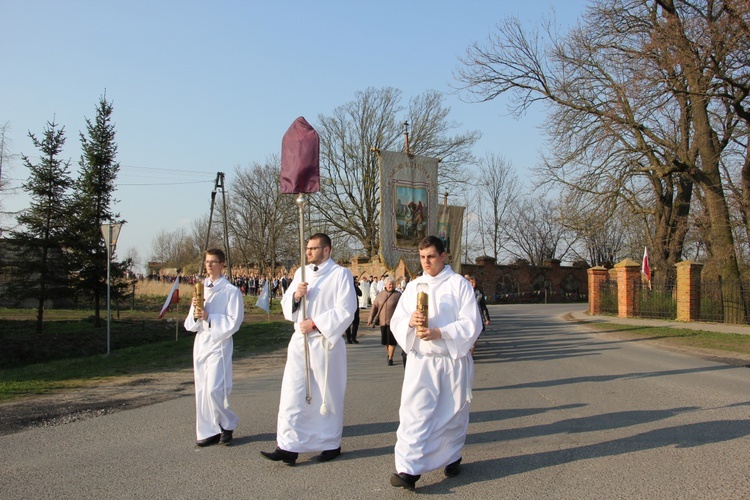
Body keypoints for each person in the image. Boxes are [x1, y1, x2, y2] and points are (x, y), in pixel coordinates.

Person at [388, 236, 483, 490]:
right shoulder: (414, 286)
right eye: (421, 257)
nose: (426, 262)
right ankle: (407, 470)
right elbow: (397, 321)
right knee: (414, 414)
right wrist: (410, 321)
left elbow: (472, 323)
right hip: (421, 362)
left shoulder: (459, 285)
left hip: (451, 360)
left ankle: (451, 455)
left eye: (430, 256)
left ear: (444, 256)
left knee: (450, 415)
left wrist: (440, 332)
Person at [261, 233, 357, 466]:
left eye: (313, 248)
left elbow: (347, 309)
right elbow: (287, 305)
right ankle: (288, 446)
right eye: (307, 249)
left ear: (327, 250)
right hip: (300, 342)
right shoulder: (300, 274)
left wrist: (315, 323)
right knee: (293, 393)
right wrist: (296, 296)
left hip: (325, 343)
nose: (309, 253)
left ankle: (330, 444)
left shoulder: (340, 275)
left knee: (326, 395)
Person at [184, 248, 245, 447]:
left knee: (214, 389)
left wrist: (210, 318)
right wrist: (195, 310)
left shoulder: (230, 291)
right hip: (202, 341)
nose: (209, 265)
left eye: (213, 261)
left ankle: (227, 423)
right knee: (202, 388)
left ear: (222, 264)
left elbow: (234, 321)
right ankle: (209, 430)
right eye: (207, 261)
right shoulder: (201, 289)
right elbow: (191, 324)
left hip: (219, 342)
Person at [367, 276, 402, 365]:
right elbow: (374, 307)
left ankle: (390, 358)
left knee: (392, 340)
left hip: (394, 322)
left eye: (393, 284)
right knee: (385, 341)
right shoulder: (380, 294)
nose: (391, 286)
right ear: (385, 285)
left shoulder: (398, 295)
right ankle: (389, 353)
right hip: (383, 321)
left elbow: (403, 308)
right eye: (390, 284)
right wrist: (370, 318)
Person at [465, 274, 490, 355]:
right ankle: (468, 351)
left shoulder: (479, 293)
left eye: (473, 282)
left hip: (477, 317)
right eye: (470, 282)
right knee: (468, 336)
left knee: (475, 336)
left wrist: (486, 318)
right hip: (467, 317)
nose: (471, 284)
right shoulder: (465, 291)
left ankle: (471, 353)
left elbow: (483, 306)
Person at [345, 276, 362, 344]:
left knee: (348, 323)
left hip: (348, 307)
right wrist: (355, 286)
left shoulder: (345, 287)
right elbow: (360, 293)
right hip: (353, 307)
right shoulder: (353, 287)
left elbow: (360, 294)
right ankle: (353, 337)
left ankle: (349, 338)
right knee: (355, 323)